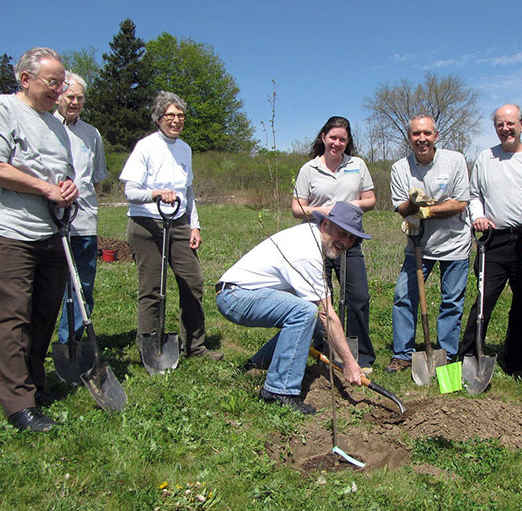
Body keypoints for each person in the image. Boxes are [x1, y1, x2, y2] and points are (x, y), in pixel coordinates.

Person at [0, 47, 78, 432]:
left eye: (62, 83)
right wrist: (46, 189)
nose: (59, 90)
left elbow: (61, 174)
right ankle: (18, 405)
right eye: (53, 82)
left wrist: (66, 187)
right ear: (26, 79)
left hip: (49, 233)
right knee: (9, 318)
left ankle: (34, 385)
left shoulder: (55, 126)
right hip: (6, 231)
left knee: (42, 314)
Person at [216, 202, 368, 414]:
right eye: (342, 233)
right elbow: (328, 315)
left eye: (352, 238)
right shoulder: (307, 252)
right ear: (324, 225)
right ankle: (280, 390)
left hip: (243, 294)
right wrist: (350, 364)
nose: (346, 242)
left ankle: (259, 366)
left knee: (309, 314)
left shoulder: (311, 238)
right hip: (235, 296)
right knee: (306, 312)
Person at [119, 91, 221, 360]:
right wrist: (155, 193)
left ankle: (195, 346)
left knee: (193, 282)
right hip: (146, 224)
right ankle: (150, 347)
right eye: (170, 115)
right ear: (159, 117)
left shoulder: (185, 149)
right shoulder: (146, 147)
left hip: (178, 223)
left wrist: (194, 226)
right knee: (152, 288)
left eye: (180, 116)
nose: (176, 120)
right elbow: (130, 191)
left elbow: (188, 193)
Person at [464, 104, 522, 379]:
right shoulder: (485, 158)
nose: (505, 129)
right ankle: (470, 354)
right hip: (492, 240)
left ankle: (517, 361)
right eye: (500, 124)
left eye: (510, 124)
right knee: (483, 301)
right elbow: (474, 195)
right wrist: (479, 217)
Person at [387, 115, 471, 373]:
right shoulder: (400, 168)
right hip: (418, 245)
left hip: (455, 244)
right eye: (415, 134)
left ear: (436, 135)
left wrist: (425, 210)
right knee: (404, 298)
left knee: (452, 301)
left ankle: (446, 354)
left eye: (426, 133)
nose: (421, 139)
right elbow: (401, 207)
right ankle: (402, 354)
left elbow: (460, 202)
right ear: (409, 137)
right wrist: (413, 204)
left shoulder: (455, 160)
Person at [292, 116, 376, 373]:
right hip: (317, 240)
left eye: (343, 139)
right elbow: (297, 208)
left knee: (358, 296)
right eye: (333, 138)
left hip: (348, 240)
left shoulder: (358, 165)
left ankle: (361, 355)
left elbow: (370, 200)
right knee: (319, 300)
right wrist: (324, 210)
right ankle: (323, 348)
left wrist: (346, 207)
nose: (337, 143)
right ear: (323, 138)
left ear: (348, 141)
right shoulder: (309, 169)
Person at [54, 71, 107, 345]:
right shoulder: (46, 125)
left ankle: (70, 342)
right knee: (49, 286)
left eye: (79, 97)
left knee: (83, 285)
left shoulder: (91, 134)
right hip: (49, 221)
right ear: (58, 95)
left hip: (84, 221)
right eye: (69, 96)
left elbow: (95, 178)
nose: (74, 102)